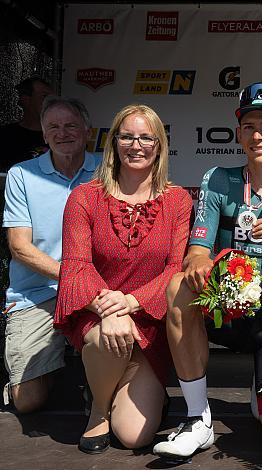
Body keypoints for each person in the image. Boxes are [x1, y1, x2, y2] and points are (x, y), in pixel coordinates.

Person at [153, 82, 262, 459]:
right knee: (180, 284)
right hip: (223, 313)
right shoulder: (219, 179)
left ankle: (260, 393)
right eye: (250, 126)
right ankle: (198, 419)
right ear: (239, 132)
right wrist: (198, 261)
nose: (258, 135)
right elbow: (197, 249)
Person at [53, 104, 192, 454]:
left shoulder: (178, 200)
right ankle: (98, 408)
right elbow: (75, 266)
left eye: (146, 137)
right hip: (99, 316)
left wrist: (131, 303)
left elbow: (175, 268)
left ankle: (134, 389)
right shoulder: (84, 197)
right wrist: (110, 309)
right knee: (104, 338)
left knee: (133, 436)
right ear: (114, 142)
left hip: (148, 321)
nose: (136, 144)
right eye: (127, 136)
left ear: (159, 145)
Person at [2, 96, 98, 413]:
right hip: (37, 293)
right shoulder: (21, 174)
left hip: (97, 292)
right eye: (53, 126)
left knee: (112, 367)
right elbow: (19, 246)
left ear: (87, 131)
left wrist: (87, 287)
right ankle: (56, 367)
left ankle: (96, 377)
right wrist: (72, 279)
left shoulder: (109, 171)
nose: (62, 132)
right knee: (28, 402)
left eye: (71, 125)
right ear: (43, 135)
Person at [0, 77, 55, 173]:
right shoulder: (5, 135)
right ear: (26, 100)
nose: (50, 102)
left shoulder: (60, 135)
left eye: (52, 98)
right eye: (44, 96)